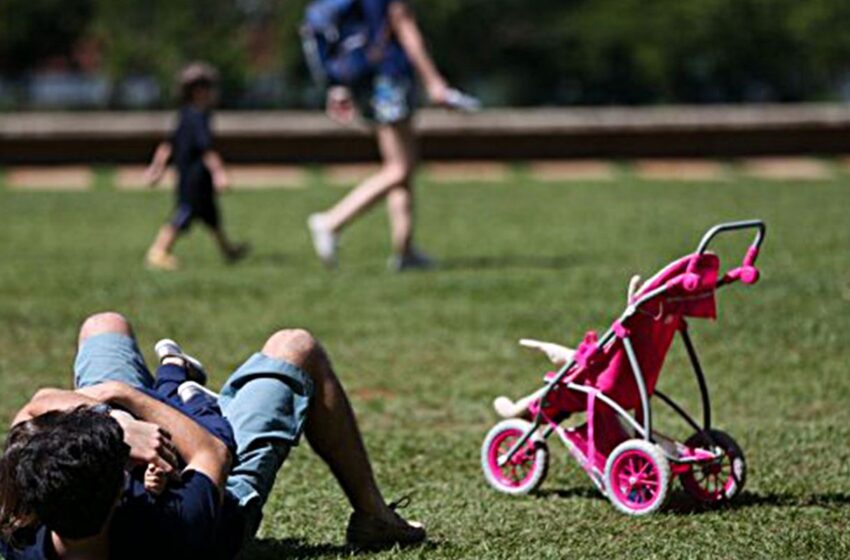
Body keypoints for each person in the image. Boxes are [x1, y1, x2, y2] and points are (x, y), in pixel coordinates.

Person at [0, 312, 424, 559]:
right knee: (296, 346)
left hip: (107, 460)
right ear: (119, 493)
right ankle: (374, 517)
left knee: (104, 324)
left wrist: (117, 423)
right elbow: (210, 450)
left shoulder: (18, 529)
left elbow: (33, 409)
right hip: (220, 487)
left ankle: (168, 385)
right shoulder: (174, 528)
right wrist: (121, 397)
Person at [305, 0, 474, 271]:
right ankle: (331, 222)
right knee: (400, 168)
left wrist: (337, 87)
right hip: (392, 75)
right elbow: (404, 26)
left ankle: (405, 250)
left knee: (401, 166)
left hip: (369, 78)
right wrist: (434, 82)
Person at [144, 62, 248, 271]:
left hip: (195, 177)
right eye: (208, 88)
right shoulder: (197, 117)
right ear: (198, 91)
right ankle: (158, 251)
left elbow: (167, 146)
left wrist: (156, 169)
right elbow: (206, 150)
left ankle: (228, 251)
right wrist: (220, 173)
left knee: (211, 216)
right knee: (184, 213)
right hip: (194, 177)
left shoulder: (187, 114)